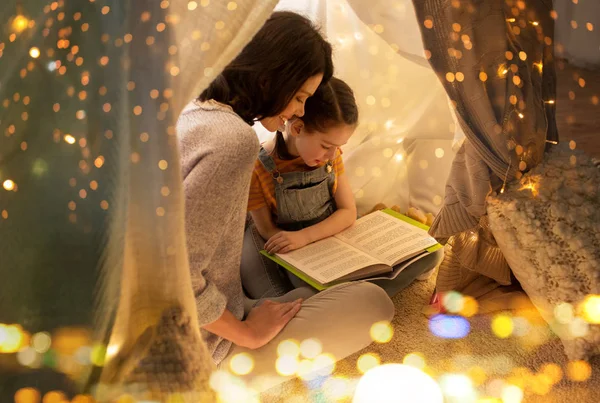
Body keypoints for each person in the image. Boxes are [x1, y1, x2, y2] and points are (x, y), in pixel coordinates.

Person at [177, 11, 394, 390]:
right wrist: (247, 334)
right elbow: (175, 274)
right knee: (374, 304)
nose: (299, 111)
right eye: (299, 97)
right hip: (195, 352)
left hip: (200, 313)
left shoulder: (192, 109)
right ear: (268, 76)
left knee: (297, 295)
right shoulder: (233, 141)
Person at [242, 77, 444, 299]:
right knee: (304, 291)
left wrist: (310, 236)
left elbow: (348, 212)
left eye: (338, 147)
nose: (333, 155)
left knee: (431, 253)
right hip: (295, 251)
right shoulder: (258, 167)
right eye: (326, 146)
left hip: (331, 238)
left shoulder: (330, 156)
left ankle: (352, 297)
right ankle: (355, 298)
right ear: (298, 128)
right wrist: (300, 241)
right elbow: (267, 231)